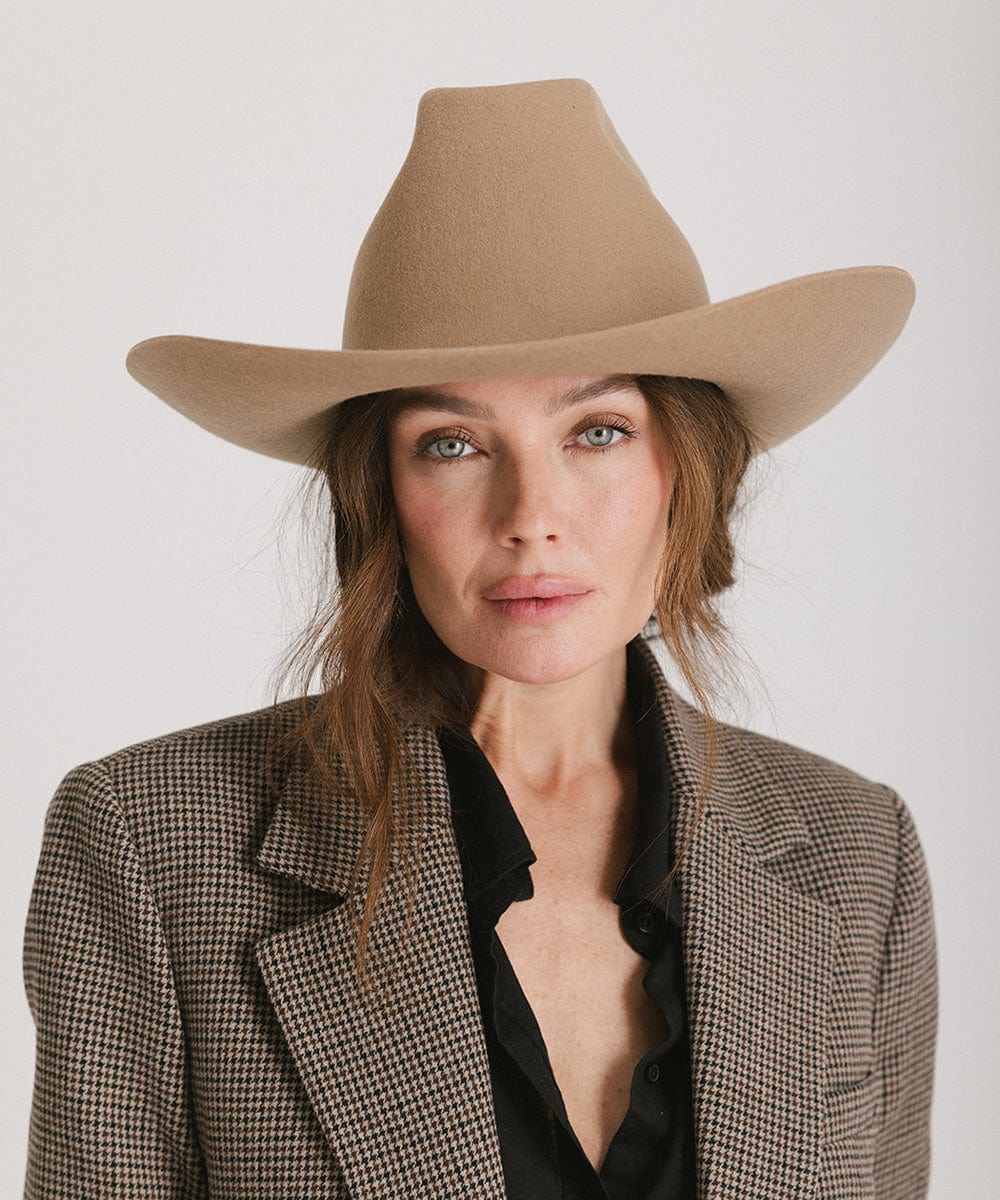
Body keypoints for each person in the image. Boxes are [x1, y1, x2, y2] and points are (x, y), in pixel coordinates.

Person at [21, 78, 937, 1199]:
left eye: (597, 431)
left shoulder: (856, 861)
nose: (529, 515)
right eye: (452, 443)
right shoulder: (152, 847)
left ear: (684, 474)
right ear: (379, 494)